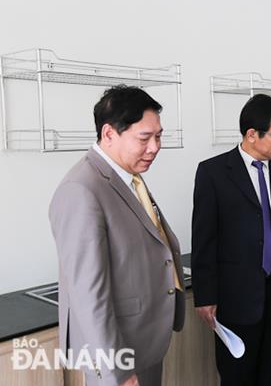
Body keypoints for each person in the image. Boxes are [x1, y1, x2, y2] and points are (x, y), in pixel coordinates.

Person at [49, 85, 185, 386]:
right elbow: (88, 295)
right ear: (109, 134)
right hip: (116, 354)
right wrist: (117, 371)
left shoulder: (127, 177)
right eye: (144, 138)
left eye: (158, 136)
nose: (155, 147)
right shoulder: (81, 190)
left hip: (143, 339)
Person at [191, 94, 271, 385]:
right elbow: (204, 239)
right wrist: (206, 296)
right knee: (238, 375)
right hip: (236, 296)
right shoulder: (213, 173)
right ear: (252, 134)